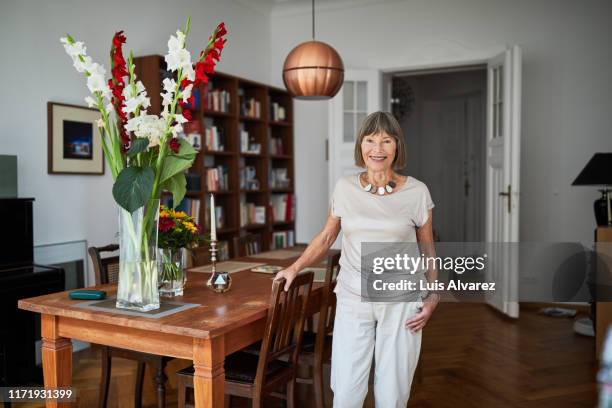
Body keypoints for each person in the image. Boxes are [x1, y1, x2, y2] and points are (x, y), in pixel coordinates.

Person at [275, 111, 440, 407]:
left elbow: (427, 247)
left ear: (397, 146)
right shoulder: (345, 187)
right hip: (353, 295)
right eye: (371, 140)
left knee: (393, 391)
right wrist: (294, 267)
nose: (378, 149)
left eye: (386, 141)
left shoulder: (417, 191)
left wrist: (433, 295)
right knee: (347, 388)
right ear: (361, 146)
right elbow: (327, 237)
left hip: (401, 299)